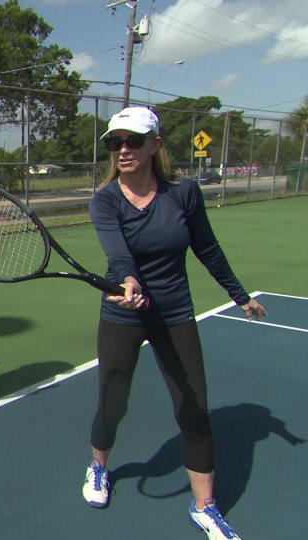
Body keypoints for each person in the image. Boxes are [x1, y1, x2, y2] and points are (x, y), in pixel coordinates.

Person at [84, 107, 266, 540]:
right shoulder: (105, 198)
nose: (123, 149)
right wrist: (128, 279)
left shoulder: (184, 192)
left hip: (174, 313)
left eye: (132, 141)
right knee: (113, 404)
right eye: (115, 142)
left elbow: (207, 247)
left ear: (155, 144)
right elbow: (118, 253)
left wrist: (239, 295)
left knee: (194, 411)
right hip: (123, 315)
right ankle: (98, 467)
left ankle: (205, 506)